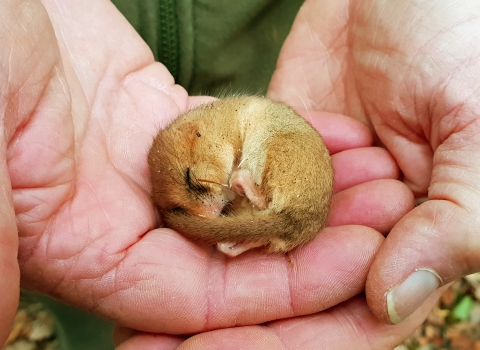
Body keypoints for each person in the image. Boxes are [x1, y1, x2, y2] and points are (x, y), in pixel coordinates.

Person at [1, 0, 477, 349]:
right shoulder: (205, 148)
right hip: (86, 46)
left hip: (289, 46)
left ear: (195, 138)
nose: (210, 206)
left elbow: (245, 157)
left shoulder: (223, 129)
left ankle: (268, 225)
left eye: (197, 189)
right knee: (115, 312)